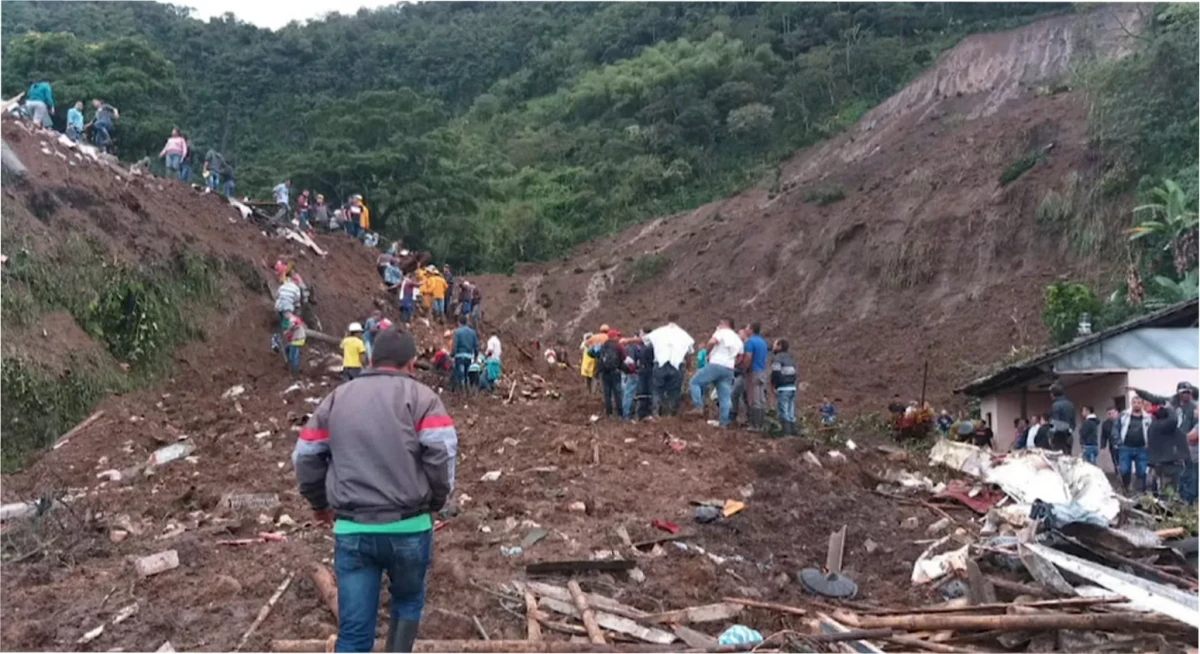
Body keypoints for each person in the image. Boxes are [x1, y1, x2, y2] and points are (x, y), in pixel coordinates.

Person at [293, 329, 457, 654]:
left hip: (353, 529)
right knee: (407, 604)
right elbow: (441, 457)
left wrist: (319, 504)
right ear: (412, 364)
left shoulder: (337, 399)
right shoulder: (424, 399)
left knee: (354, 633)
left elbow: (306, 456)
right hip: (410, 527)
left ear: (369, 360)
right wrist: (437, 502)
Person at [689, 318, 742, 427]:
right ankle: (723, 423)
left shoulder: (721, 332)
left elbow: (712, 342)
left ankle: (699, 407)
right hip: (729, 368)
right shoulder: (738, 339)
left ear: (724, 324)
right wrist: (734, 363)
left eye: (720, 323)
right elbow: (740, 355)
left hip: (716, 364)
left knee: (694, 382)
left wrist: (707, 353)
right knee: (724, 397)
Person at [642, 315, 693, 416]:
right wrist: (688, 367)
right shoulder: (684, 335)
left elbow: (645, 342)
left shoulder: (659, 332)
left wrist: (628, 341)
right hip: (677, 365)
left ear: (668, 320)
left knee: (657, 389)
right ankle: (671, 415)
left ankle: (655, 413)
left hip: (660, 363)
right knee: (674, 391)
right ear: (678, 320)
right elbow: (688, 353)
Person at [1147, 404, 1189, 497]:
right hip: (1167, 465)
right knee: (1168, 493)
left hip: (1164, 464)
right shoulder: (1161, 425)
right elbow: (1173, 420)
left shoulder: (1157, 426)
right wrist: (1170, 407)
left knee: (1166, 491)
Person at [1116, 397, 1151, 493]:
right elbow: (1116, 428)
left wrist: (1149, 444)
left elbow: (1151, 431)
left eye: (1139, 402)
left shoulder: (1147, 417)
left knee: (1142, 472)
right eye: (1134, 402)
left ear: (1142, 404)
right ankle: (1126, 489)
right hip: (1126, 447)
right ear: (1131, 403)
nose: (1137, 404)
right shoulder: (1124, 415)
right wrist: (1118, 442)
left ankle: (1140, 493)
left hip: (1142, 448)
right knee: (1124, 470)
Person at [742, 323, 769, 432]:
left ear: (751, 330)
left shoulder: (750, 342)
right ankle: (761, 424)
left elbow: (748, 357)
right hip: (762, 371)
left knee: (753, 399)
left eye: (747, 327)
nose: (745, 329)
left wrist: (744, 368)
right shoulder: (763, 342)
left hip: (753, 372)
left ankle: (755, 425)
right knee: (761, 398)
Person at [770, 339, 798, 435]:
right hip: (792, 387)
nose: (772, 347)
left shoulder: (777, 358)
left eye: (774, 345)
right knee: (791, 411)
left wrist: (774, 385)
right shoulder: (791, 357)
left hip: (783, 387)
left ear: (779, 346)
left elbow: (776, 373)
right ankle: (793, 431)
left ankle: (786, 433)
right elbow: (795, 373)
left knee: (783, 411)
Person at [595, 330, 626, 418]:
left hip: (604, 373)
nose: (618, 337)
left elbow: (598, 358)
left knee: (607, 394)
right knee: (617, 393)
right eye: (617, 336)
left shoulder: (603, 346)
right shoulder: (618, 346)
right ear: (613, 337)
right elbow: (623, 357)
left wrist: (597, 372)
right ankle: (620, 414)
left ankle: (609, 413)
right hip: (615, 372)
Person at [451, 314, 478, 393]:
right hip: (469, 357)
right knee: (466, 373)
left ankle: (459, 390)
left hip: (459, 356)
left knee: (458, 373)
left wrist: (452, 355)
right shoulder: (472, 332)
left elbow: (455, 345)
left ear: (459, 322)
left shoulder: (457, 332)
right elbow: (476, 346)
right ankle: (467, 388)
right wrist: (476, 356)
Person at [1048, 384, 1076, 455]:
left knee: (1058, 458)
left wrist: (1050, 436)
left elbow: (1055, 423)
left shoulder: (1056, 405)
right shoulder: (1070, 404)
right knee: (1068, 458)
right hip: (1068, 436)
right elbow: (1073, 422)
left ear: (1053, 394)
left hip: (1058, 437)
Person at [580, 328, 609, 394]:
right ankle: (593, 393)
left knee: (591, 380)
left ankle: (591, 393)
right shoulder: (593, 346)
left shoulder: (588, 346)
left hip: (589, 366)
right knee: (596, 379)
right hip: (592, 365)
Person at [282, 310, 306, 375]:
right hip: (298, 339)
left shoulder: (292, 319)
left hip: (297, 340)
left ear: (288, 314)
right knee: (287, 348)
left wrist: (287, 331)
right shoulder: (295, 319)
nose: (285, 317)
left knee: (293, 356)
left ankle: (294, 371)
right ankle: (290, 365)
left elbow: (292, 326)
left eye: (285, 315)